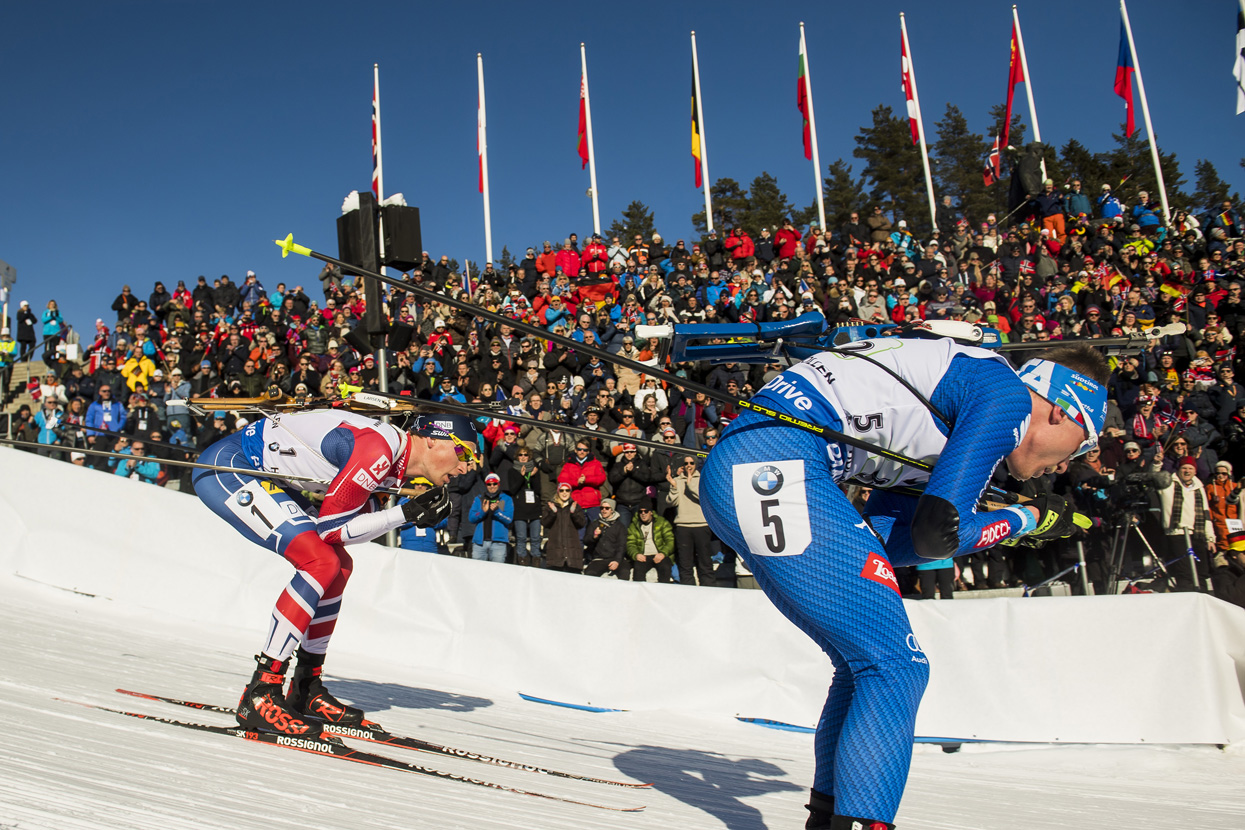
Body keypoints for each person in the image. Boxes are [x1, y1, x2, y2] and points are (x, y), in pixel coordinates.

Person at [700, 339, 1108, 829]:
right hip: (775, 465)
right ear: (1063, 411)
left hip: (757, 464)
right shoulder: (1008, 398)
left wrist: (1005, 521)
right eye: (1083, 445)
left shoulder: (966, 399)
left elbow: (892, 546)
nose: (1065, 465)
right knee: (896, 666)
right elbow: (939, 533)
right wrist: (1025, 520)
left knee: (865, 666)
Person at [191, 411, 476, 737]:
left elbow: (349, 531)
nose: (467, 466)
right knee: (320, 561)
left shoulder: (394, 468)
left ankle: (306, 688)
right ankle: (262, 692)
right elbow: (332, 530)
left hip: (266, 473)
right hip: (229, 466)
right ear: (432, 439)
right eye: (464, 452)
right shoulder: (377, 451)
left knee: (339, 566)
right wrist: (404, 514)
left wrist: (404, 514)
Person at [468, 473, 514, 563]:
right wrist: (482, 512)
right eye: (489, 484)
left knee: (497, 572)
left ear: (498, 484)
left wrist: (496, 511)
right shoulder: (479, 499)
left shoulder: (505, 499)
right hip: (479, 543)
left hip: (498, 543)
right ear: (486, 485)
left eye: (494, 484)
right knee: (478, 572)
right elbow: (471, 518)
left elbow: (509, 519)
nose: (492, 486)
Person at [627, 497, 674, 583]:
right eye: (641, 511)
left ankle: (663, 593)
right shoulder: (634, 525)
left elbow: (670, 541)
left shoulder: (662, 522)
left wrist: (663, 553)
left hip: (659, 554)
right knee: (638, 570)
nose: (643, 514)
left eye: (646, 511)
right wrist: (636, 554)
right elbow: (630, 544)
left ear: (651, 512)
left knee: (665, 568)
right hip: (643, 556)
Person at [583, 498, 630, 579]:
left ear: (612, 510)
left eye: (607, 508)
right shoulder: (595, 524)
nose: (604, 510)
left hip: (616, 558)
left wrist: (617, 561)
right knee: (589, 574)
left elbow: (622, 546)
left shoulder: (619, 526)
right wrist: (594, 537)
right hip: (600, 559)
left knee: (624, 573)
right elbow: (586, 540)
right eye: (602, 508)